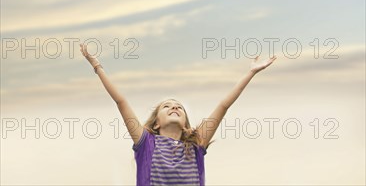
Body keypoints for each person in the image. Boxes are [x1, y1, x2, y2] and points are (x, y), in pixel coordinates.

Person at [80, 43, 276, 185]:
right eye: (167, 106)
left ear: (185, 125)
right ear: (156, 123)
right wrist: (97, 66)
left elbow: (224, 105)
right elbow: (120, 101)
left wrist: (251, 73)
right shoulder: (146, 143)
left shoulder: (197, 143)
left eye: (179, 107)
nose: (174, 107)